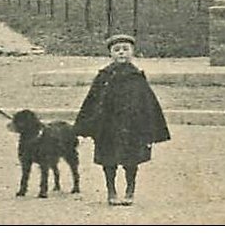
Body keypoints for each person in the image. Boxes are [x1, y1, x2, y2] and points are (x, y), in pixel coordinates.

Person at [73, 33, 170, 207]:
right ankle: (111, 191)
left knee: (131, 160)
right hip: (108, 127)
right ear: (110, 53)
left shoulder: (136, 77)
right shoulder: (104, 76)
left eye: (125, 49)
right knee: (108, 160)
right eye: (117, 50)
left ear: (132, 52)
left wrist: (150, 130)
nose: (121, 53)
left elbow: (148, 104)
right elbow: (92, 101)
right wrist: (86, 126)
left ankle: (129, 190)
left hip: (131, 127)